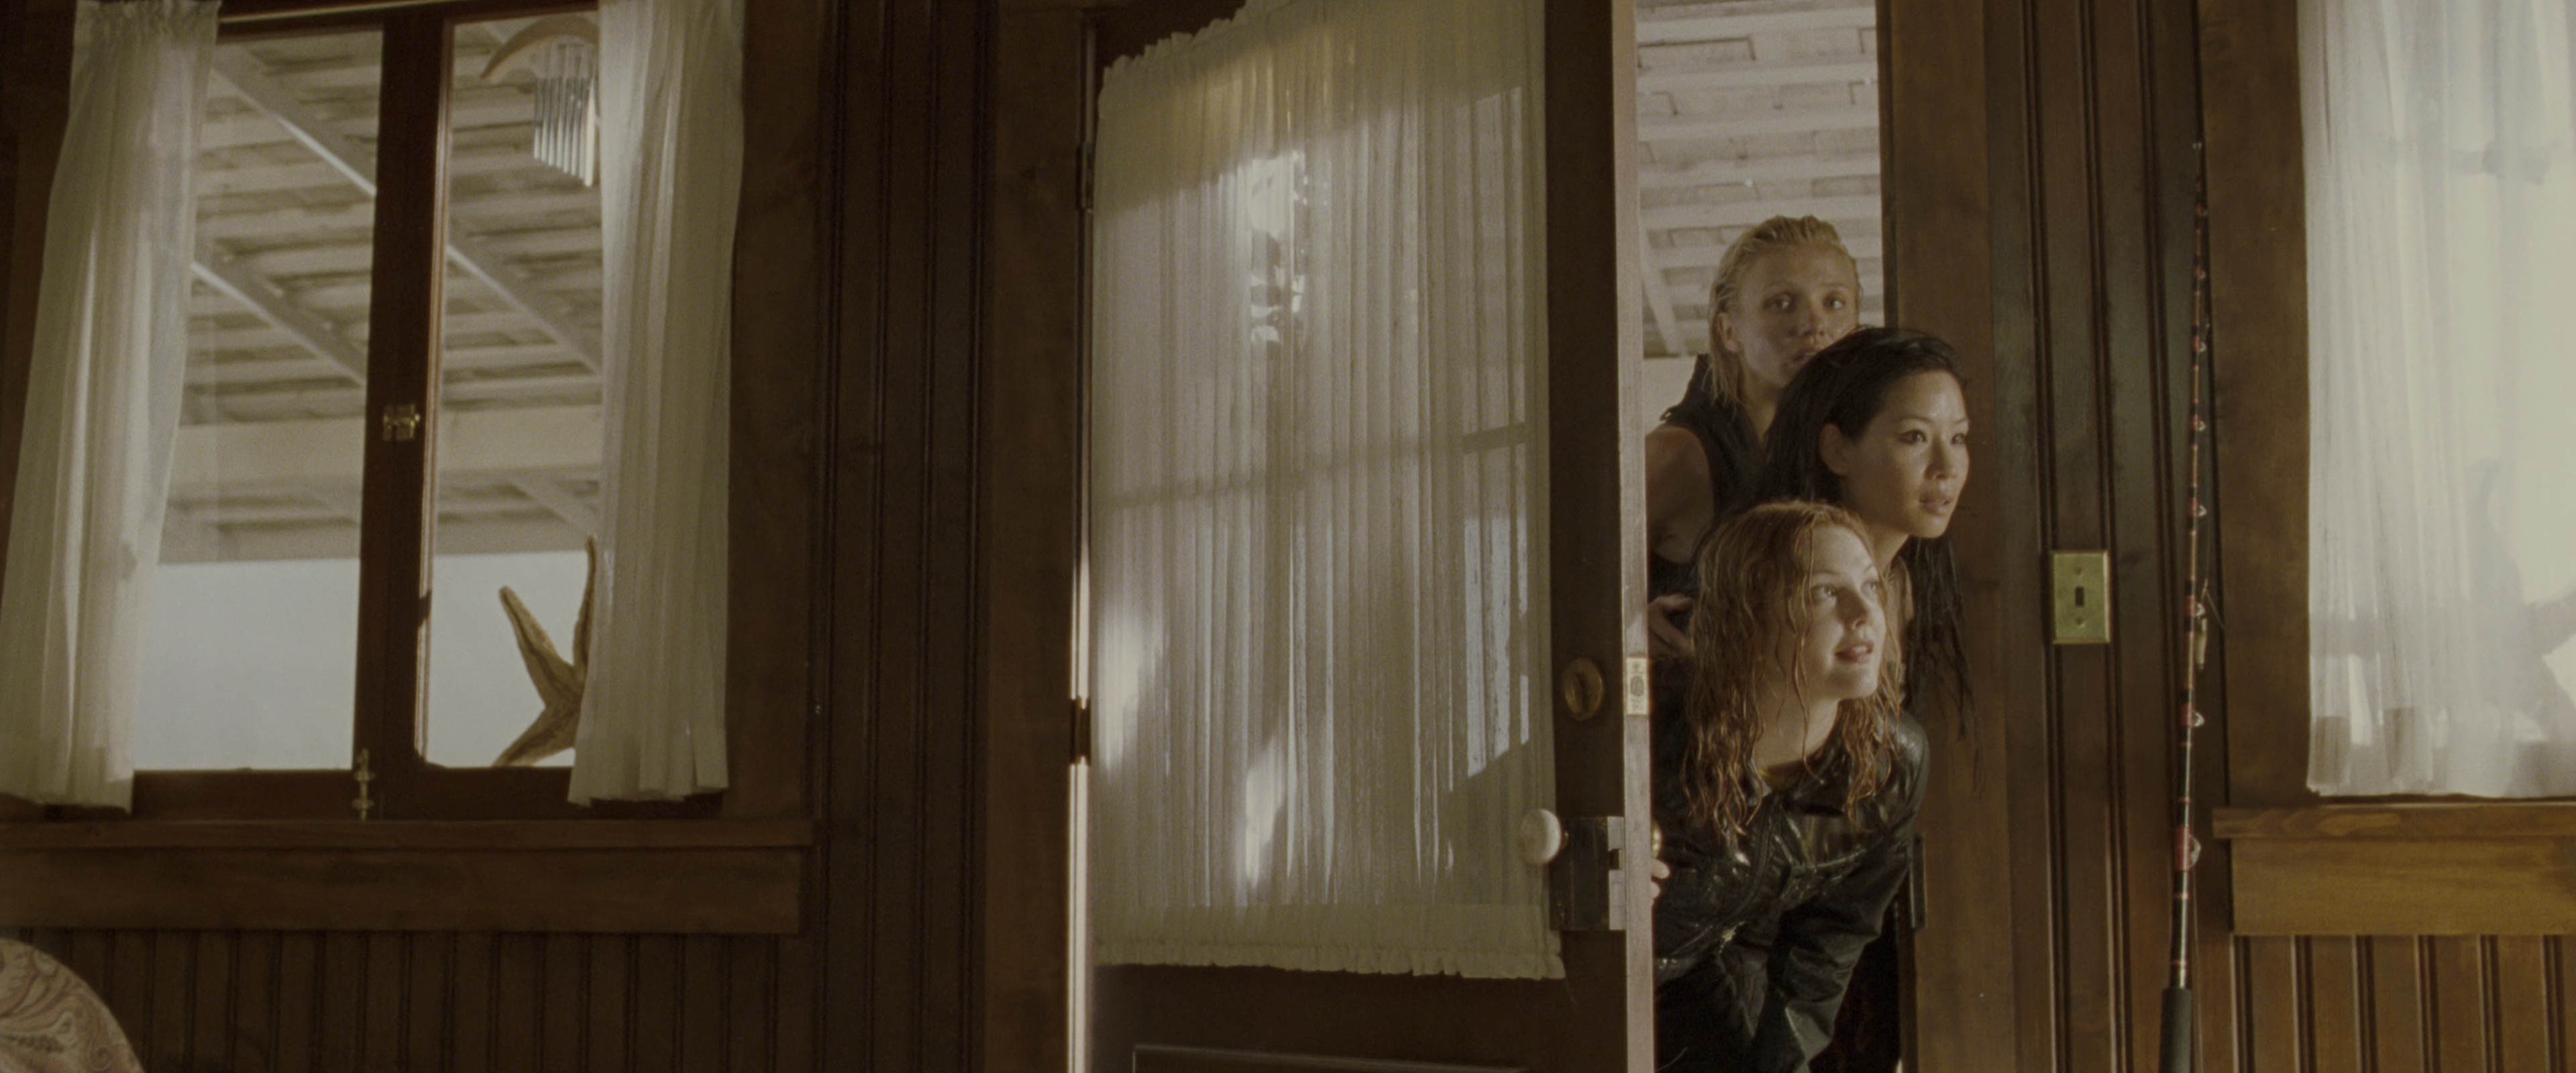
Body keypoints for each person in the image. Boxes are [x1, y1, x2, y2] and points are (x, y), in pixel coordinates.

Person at [1651, 501, 1925, 1073]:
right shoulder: (1655, 725)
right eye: (1824, 593)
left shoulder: (1891, 763)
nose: (1864, 614)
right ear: (1747, 617)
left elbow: (1829, 945)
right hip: (1584, 977)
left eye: (1870, 586)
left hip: (1691, 982)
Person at [1754, 327, 1974, 732]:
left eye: (1958, 438)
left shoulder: (1908, 579)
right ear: (1837, 450)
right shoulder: (1773, 583)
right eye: (1915, 437)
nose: (1947, 467)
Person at [1647, 217, 1864, 611]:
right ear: (1729, 331)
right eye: (1781, 303)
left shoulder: (1843, 452)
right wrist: (1631, 628)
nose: (1815, 325)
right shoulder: (1675, 457)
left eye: (1834, 303)